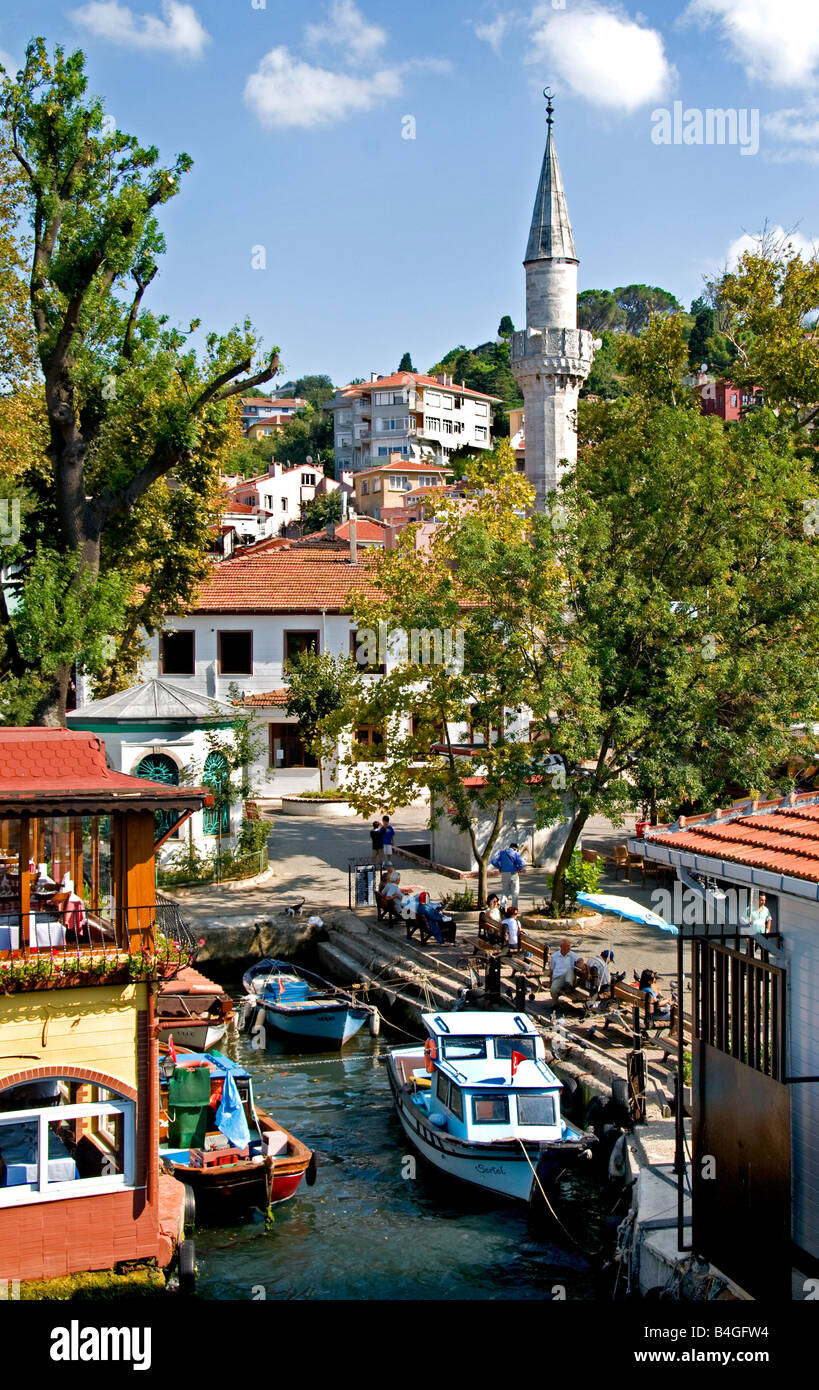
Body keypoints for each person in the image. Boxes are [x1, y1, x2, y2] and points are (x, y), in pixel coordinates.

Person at [548, 938, 584, 1004]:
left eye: (569, 946)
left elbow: (580, 959)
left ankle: (568, 986)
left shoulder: (572, 955)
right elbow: (551, 969)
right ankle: (555, 1003)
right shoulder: (554, 956)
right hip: (558, 978)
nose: (569, 948)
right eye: (567, 946)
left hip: (569, 978)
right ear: (561, 947)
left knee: (570, 971)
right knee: (553, 990)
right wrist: (551, 980)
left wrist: (581, 963)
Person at [490, 841, 525, 908]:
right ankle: (514, 909)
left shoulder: (502, 853)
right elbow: (522, 864)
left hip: (504, 874)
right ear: (515, 849)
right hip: (513, 873)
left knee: (505, 891)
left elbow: (493, 861)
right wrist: (518, 868)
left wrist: (500, 867)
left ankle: (502, 907)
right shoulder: (516, 854)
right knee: (515, 892)